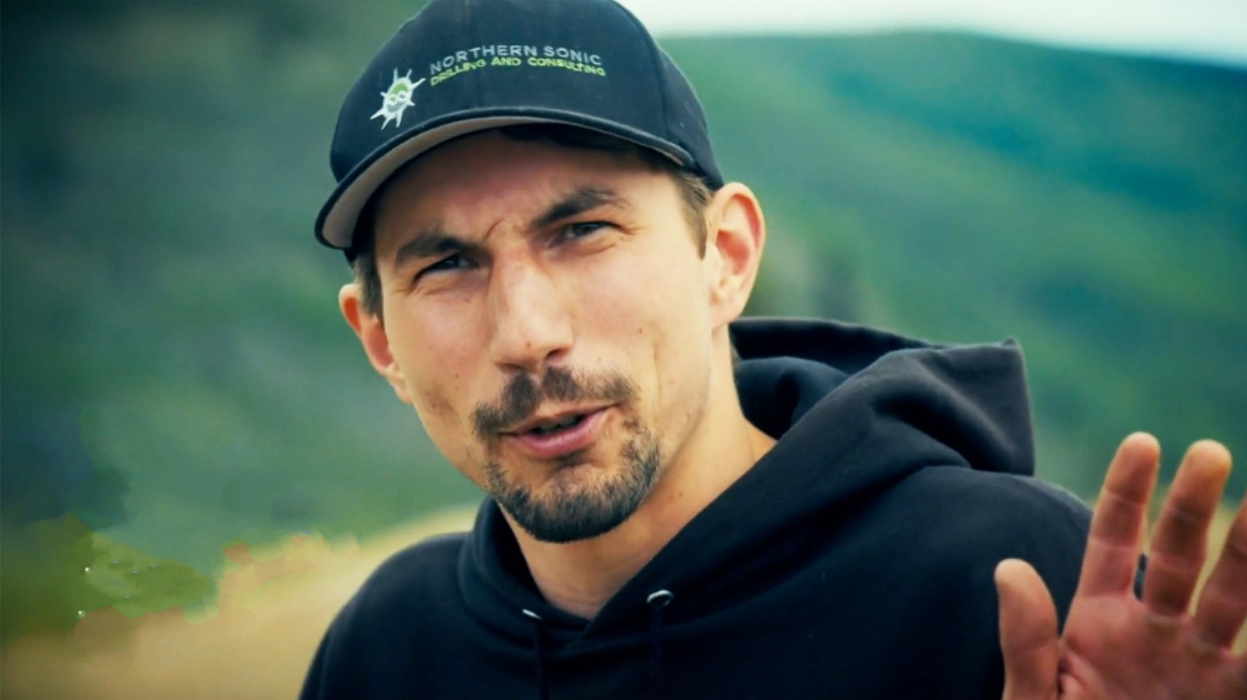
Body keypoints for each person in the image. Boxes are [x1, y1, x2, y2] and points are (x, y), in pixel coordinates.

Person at [301, 0, 1247, 697]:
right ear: (380, 341)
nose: (527, 334)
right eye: (448, 265)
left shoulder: (1011, 583)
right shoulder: (387, 651)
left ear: (725, 256)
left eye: (582, 232)